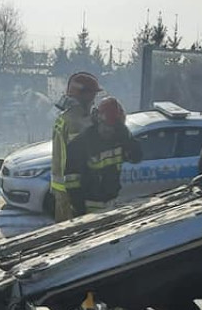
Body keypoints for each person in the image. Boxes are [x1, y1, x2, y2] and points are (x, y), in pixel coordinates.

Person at [64, 97, 141, 217]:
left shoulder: (119, 139)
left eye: (114, 128)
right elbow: (71, 180)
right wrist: (79, 208)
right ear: (98, 121)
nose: (110, 131)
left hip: (111, 202)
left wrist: (127, 138)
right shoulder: (81, 143)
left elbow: (136, 158)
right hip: (88, 206)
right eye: (107, 126)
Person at [51, 72, 101, 222]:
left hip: (64, 187)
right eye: (91, 94)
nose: (93, 99)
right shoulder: (76, 121)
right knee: (74, 230)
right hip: (73, 187)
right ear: (82, 94)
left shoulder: (66, 117)